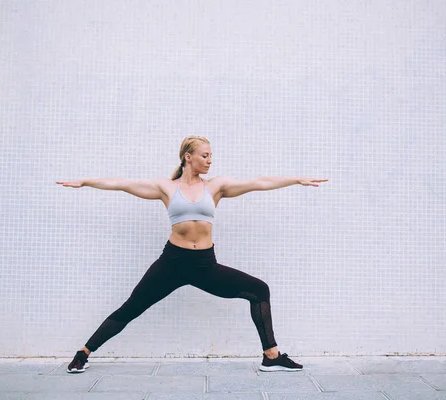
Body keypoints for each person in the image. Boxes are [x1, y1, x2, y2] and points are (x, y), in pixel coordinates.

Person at [56, 136, 328, 373]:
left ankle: (271, 357)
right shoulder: (167, 188)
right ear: (189, 157)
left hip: (205, 266)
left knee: (259, 290)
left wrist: (295, 180)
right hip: (171, 263)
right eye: (205, 155)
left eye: (211, 156)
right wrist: (85, 182)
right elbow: (122, 184)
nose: (210, 161)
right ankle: (84, 352)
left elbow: (258, 182)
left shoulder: (216, 186)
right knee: (131, 308)